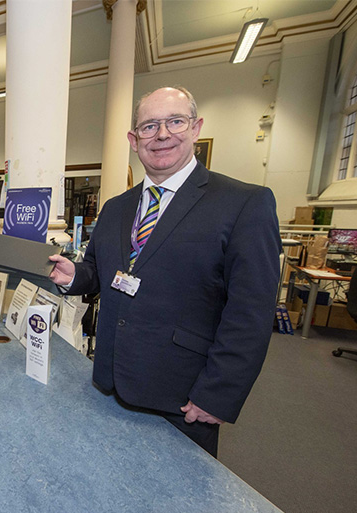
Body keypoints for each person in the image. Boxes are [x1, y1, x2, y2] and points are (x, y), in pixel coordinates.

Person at [49, 87, 281, 457]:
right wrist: (73, 275)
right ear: (133, 139)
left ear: (195, 128)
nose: (161, 134)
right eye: (149, 126)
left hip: (183, 398)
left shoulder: (243, 203)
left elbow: (251, 311)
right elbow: (98, 268)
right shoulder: (115, 207)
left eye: (175, 122)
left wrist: (217, 396)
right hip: (109, 382)